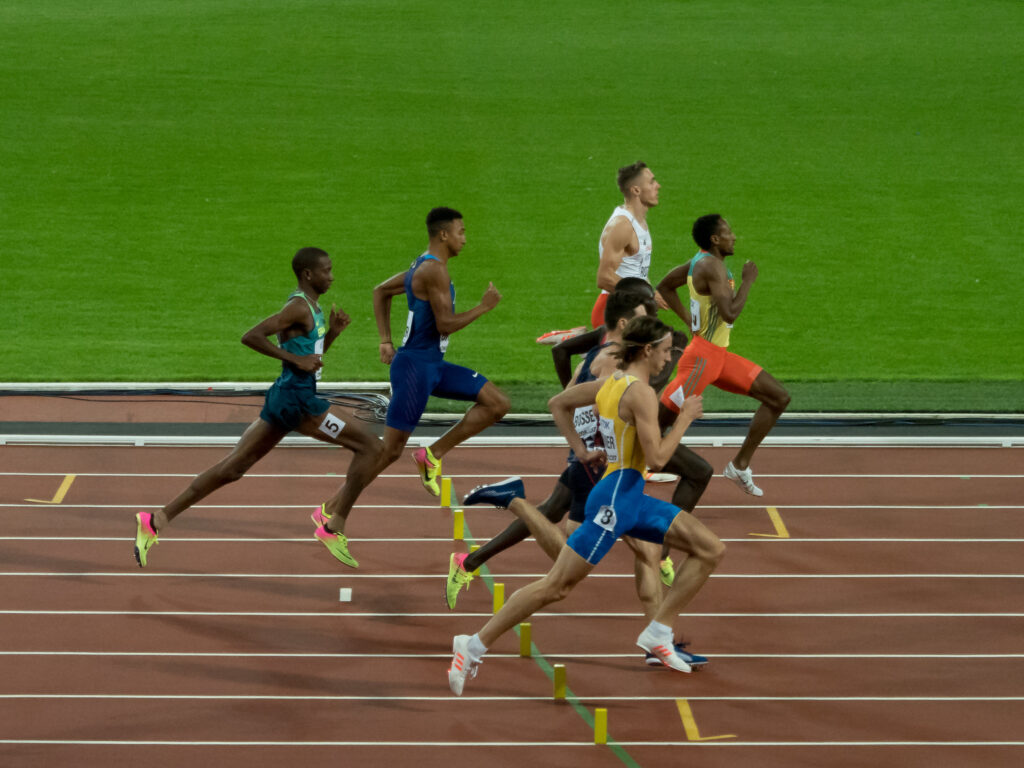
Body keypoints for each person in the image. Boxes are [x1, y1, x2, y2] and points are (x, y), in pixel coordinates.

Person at [447, 316, 726, 695]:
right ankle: (472, 645)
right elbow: (659, 459)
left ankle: (658, 631)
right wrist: (685, 420)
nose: (668, 361)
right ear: (646, 350)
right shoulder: (640, 393)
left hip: (625, 494)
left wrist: (581, 451)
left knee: (710, 548)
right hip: (615, 500)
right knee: (556, 587)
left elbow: (558, 402)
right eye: (664, 352)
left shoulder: (611, 383)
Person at [133, 247, 383, 569]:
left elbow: (310, 359)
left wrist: (331, 334)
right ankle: (333, 525)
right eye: (327, 270)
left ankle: (156, 520)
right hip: (299, 402)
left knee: (233, 468)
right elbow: (251, 337)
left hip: (285, 397)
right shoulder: (297, 307)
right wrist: (295, 360)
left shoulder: (312, 308)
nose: (332, 276)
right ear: (309, 274)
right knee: (371, 448)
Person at [444, 289, 653, 610]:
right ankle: (511, 499)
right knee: (572, 555)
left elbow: (569, 397)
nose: (648, 326)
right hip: (599, 462)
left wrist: (578, 444)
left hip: (585, 456)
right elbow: (606, 409)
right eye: (643, 320)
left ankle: (469, 561)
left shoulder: (593, 356)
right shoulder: (613, 361)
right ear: (624, 324)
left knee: (553, 512)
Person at [371, 207, 510, 496]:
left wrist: (385, 340)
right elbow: (445, 325)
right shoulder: (433, 270)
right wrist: (483, 307)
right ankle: (331, 509)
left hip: (432, 366)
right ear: (444, 234)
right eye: (462, 232)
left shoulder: (423, 265)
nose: (465, 239)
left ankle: (431, 455)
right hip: (414, 369)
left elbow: (380, 291)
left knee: (497, 404)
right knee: (388, 452)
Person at [657, 214, 791, 496]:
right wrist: (748, 282)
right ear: (715, 239)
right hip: (701, 361)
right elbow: (729, 314)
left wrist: (688, 321)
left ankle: (739, 465)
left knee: (778, 397)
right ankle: (619, 467)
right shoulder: (712, 267)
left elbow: (666, 285)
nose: (734, 237)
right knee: (658, 424)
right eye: (728, 232)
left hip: (718, 358)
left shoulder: (699, 262)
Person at [591, 162, 666, 329]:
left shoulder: (639, 221)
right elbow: (604, 278)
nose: (658, 186)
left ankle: (581, 342)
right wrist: (646, 296)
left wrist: (649, 293)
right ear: (636, 190)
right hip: (614, 314)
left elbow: (636, 270)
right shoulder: (623, 225)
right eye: (652, 182)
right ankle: (577, 339)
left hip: (633, 310)